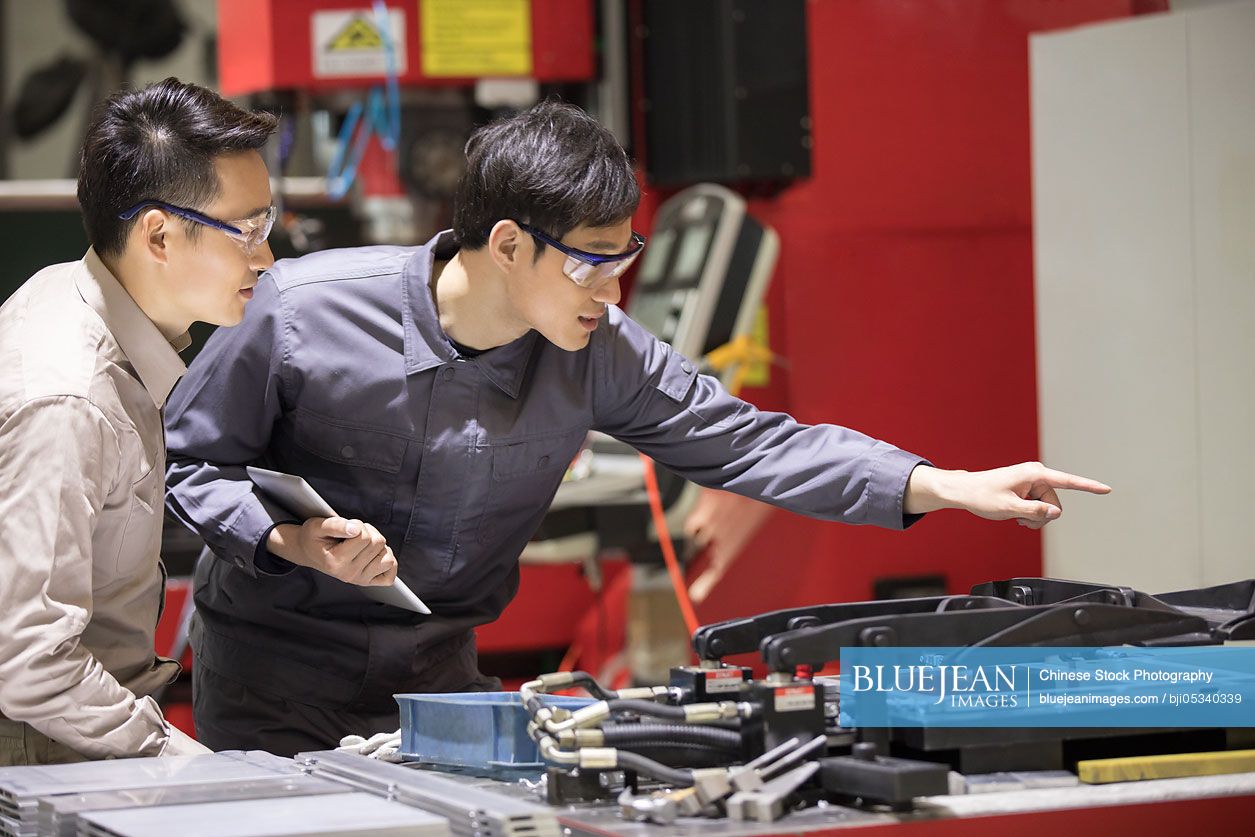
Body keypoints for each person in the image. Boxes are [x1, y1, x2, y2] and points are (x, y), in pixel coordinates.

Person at [164, 100, 1109, 756]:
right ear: (507, 245)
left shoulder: (595, 347)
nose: (614, 291)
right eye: (591, 264)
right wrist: (289, 537)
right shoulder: (298, 311)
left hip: (436, 677)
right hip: (273, 678)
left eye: (627, 259)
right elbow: (187, 460)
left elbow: (748, 440)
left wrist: (937, 484)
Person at [0, 77, 277, 764]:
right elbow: (29, 660)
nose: (265, 257)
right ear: (158, 234)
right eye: (247, 230)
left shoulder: (78, 296)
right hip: (38, 752)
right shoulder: (70, 396)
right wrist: (177, 762)